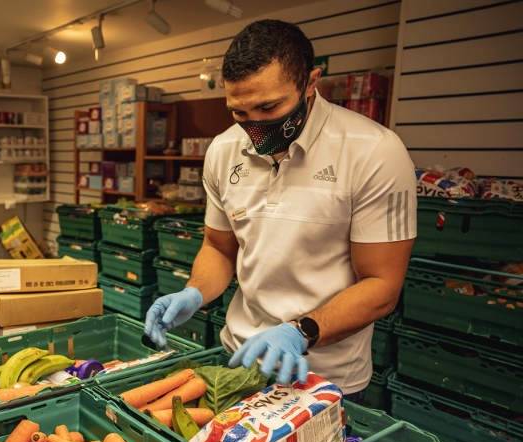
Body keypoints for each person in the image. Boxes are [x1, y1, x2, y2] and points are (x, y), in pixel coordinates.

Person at [143, 19, 416, 400]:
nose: (254, 126)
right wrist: (194, 292)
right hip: (238, 359)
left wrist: (299, 331)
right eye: (239, 112)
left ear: (310, 82)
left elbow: (382, 285)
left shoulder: (374, 151)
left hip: (325, 377)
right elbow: (221, 248)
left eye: (269, 107)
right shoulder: (223, 150)